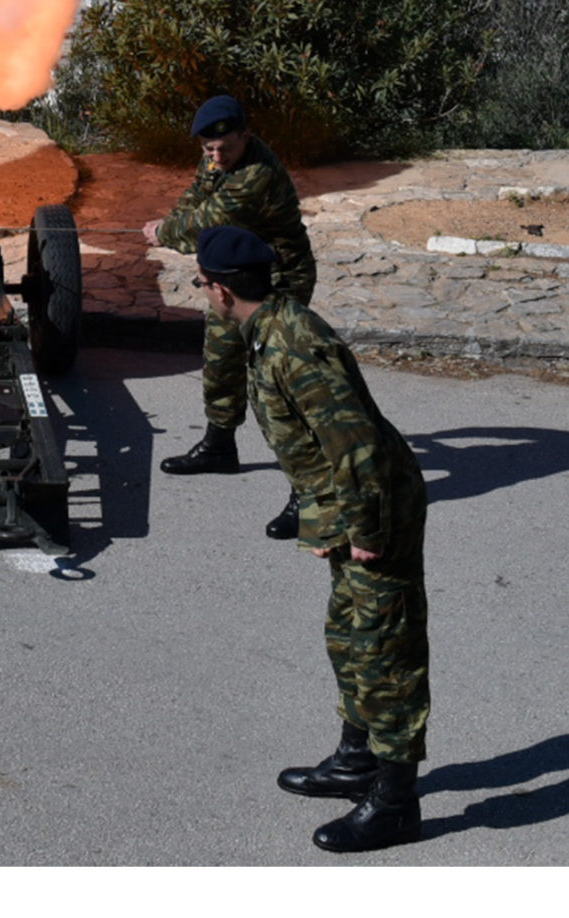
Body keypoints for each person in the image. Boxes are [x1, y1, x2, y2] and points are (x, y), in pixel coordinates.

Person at [196, 224, 431, 855]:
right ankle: (356, 761)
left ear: (219, 292)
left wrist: (365, 530)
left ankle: (396, 803)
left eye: (201, 285)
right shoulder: (270, 329)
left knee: (387, 652)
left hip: (375, 509)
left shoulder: (292, 346)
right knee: (349, 636)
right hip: (346, 508)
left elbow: (355, 444)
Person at [145, 95, 316, 540]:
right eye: (209, 150)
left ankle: (310, 491)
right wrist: (171, 218)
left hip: (280, 280)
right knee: (221, 358)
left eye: (225, 148)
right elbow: (195, 197)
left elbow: (206, 223)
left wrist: (164, 231)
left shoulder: (256, 176)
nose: (216, 157)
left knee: (274, 383)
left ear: (245, 136)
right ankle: (220, 446)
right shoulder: (217, 159)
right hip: (237, 277)